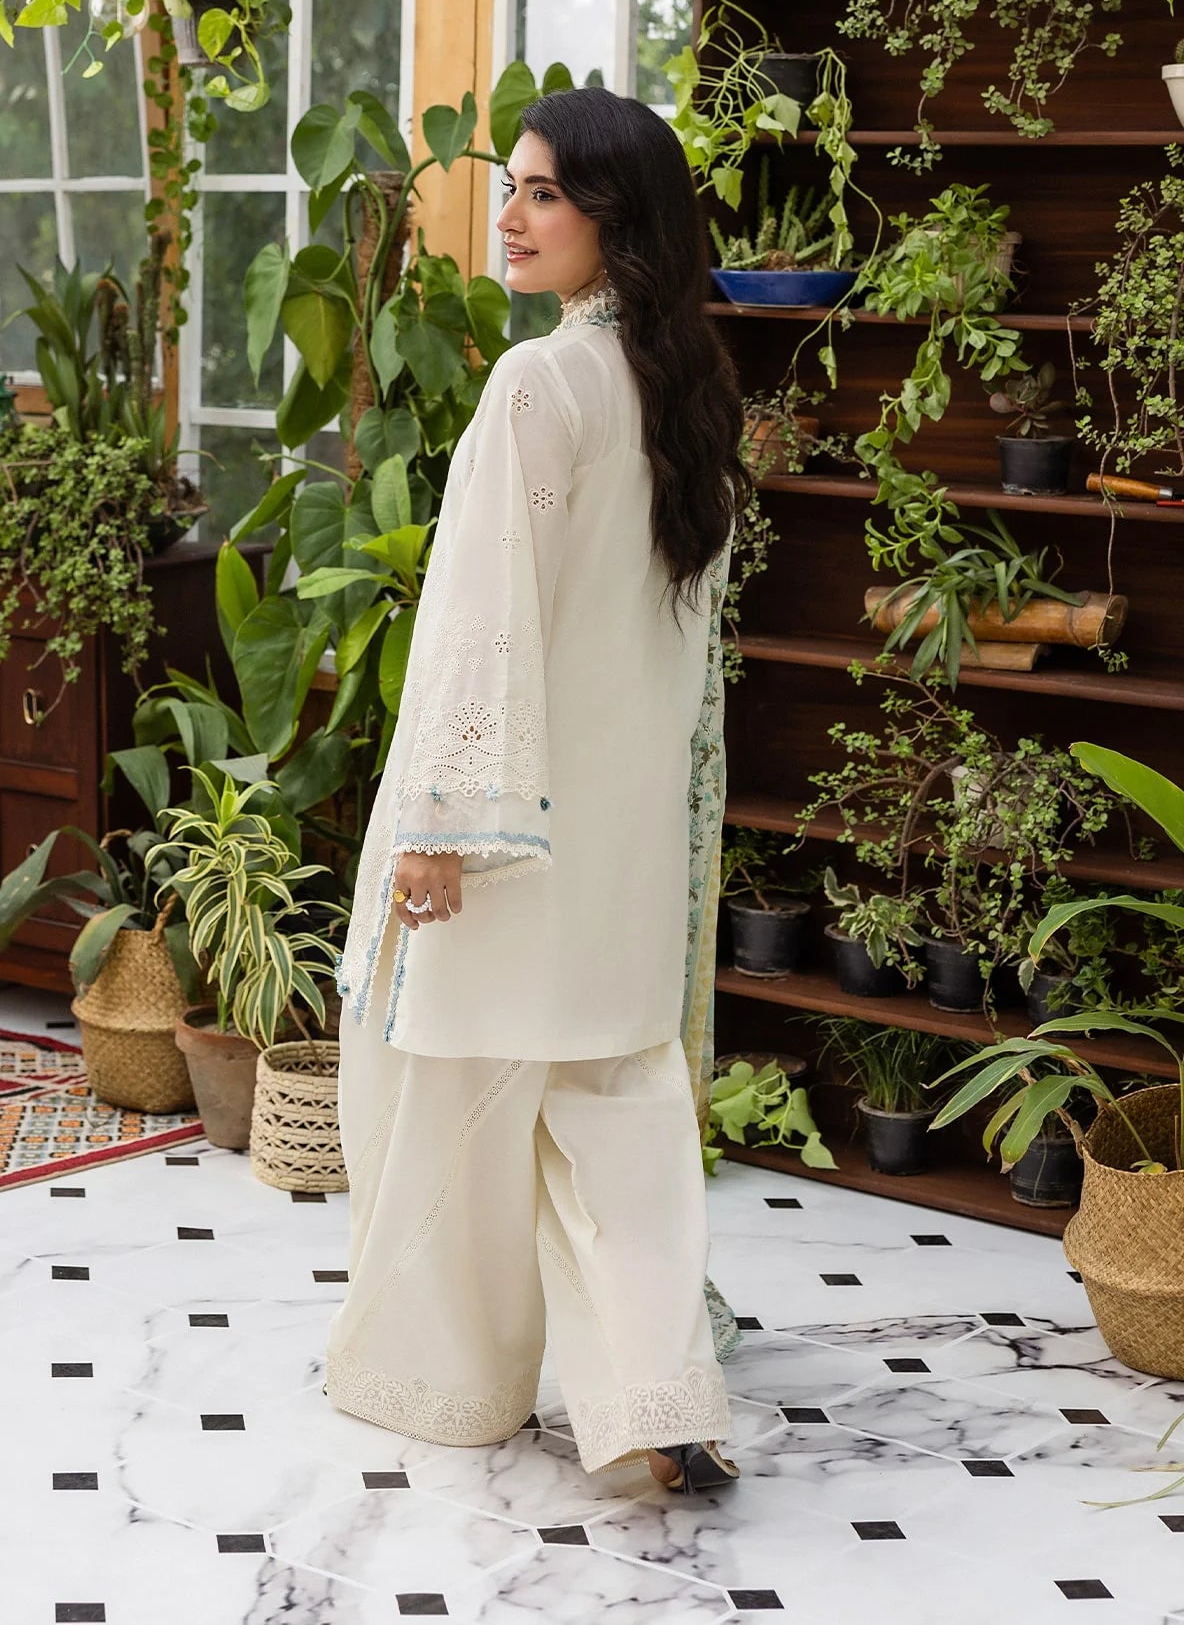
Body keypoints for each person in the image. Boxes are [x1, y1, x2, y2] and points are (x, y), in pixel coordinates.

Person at [325, 86, 751, 1494]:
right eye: (511, 188)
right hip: (619, 841)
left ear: (616, 223)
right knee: (613, 1110)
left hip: (509, 833)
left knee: (455, 1096)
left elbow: (483, 617)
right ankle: (653, 1395)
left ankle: (450, 1388)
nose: (506, 218)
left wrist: (446, 833)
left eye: (544, 195)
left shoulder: (543, 383)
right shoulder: (682, 388)